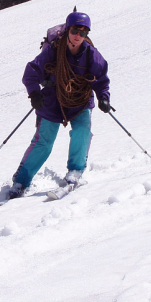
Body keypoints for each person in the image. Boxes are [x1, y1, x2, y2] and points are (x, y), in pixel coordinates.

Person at [9, 11, 111, 199]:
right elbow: (31, 71)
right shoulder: (54, 50)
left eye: (83, 32)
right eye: (74, 30)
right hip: (52, 99)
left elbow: (101, 78)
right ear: (67, 30)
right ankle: (20, 182)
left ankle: (75, 171)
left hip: (79, 100)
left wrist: (103, 97)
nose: (78, 36)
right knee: (43, 142)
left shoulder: (91, 54)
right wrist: (34, 93)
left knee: (82, 131)